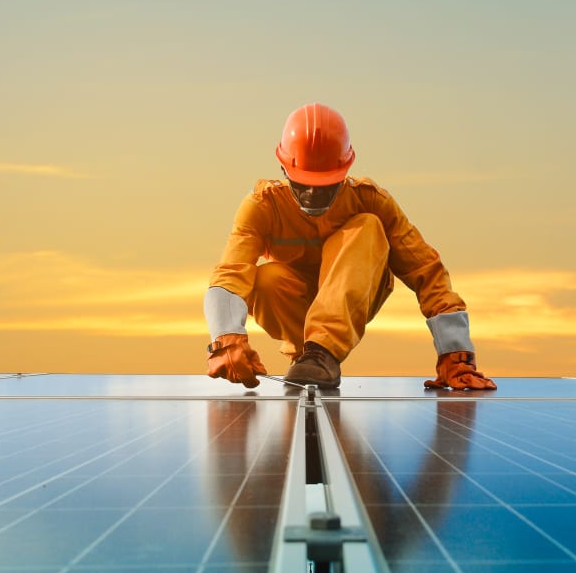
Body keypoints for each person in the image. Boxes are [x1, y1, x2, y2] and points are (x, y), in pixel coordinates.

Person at [204, 102, 497, 390]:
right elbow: (231, 273)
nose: (312, 195)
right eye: (302, 184)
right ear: (283, 169)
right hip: (296, 308)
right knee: (265, 278)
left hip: (357, 293)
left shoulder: (371, 200)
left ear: (345, 170)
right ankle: (307, 355)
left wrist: (455, 354)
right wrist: (225, 339)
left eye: (325, 185)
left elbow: (426, 271)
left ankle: (323, 352)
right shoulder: (262, 206)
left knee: (368, 226)